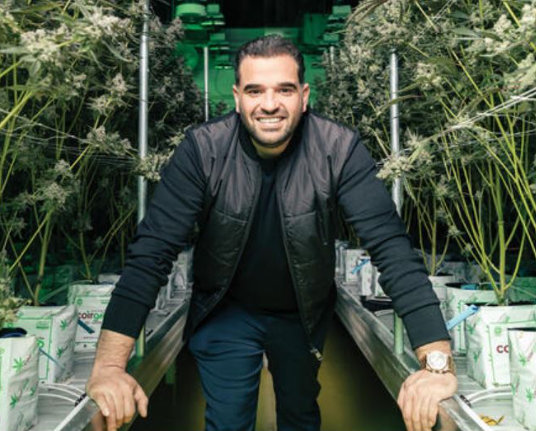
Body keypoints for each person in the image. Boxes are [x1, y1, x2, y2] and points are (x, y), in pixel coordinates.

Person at [86, 35, 457, 431]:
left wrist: (436, 365)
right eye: (254, 91)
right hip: (225, 309)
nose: (269, 104)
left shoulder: (338, 149)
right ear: (237, 97)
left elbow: (391, 248)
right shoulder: (203, 150)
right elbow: (152, 253)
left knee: (300, 414)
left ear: (304, 96)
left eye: (284, 90)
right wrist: (109, 367)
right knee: (228, 421)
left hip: (302, 312)